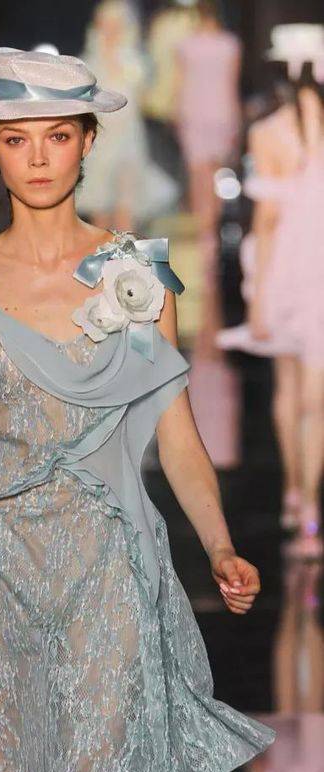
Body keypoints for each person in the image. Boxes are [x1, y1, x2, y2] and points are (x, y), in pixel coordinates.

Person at [0, 46, 275, 772]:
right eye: (16, 138)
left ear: (87, 140)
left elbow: (176, 432)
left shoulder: (136, 275)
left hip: (106, 571)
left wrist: (219, 545)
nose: (37, 157)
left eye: (56, 135)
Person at [217, 25, 324, 557]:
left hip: (286, 269)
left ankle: (295, 494)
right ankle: (308, 506)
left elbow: (266, 219)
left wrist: (256, 299)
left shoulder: (268, 131)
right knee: (314, 398)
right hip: (313, 269)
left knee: (291, 387)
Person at [75, 0, 178, 231]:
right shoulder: (87, 63)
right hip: (99, 143)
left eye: (116, 24)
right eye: (106, 24)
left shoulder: (135, 63)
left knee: (126, 210)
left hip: (128, 142)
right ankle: (103, 254)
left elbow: (144, 97)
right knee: (100, 212)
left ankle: (126, 255)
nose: (110, 30)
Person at [175, 0, 242, 233]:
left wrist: (177, 114)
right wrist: (236, 121)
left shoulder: (186, 45)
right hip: (221, 114)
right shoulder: (230, 44)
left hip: (193, 114)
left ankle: (204, 235)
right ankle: (212, 233)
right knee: (215, 176)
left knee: (198, 177)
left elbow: (180, 85)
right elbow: (232, 86)